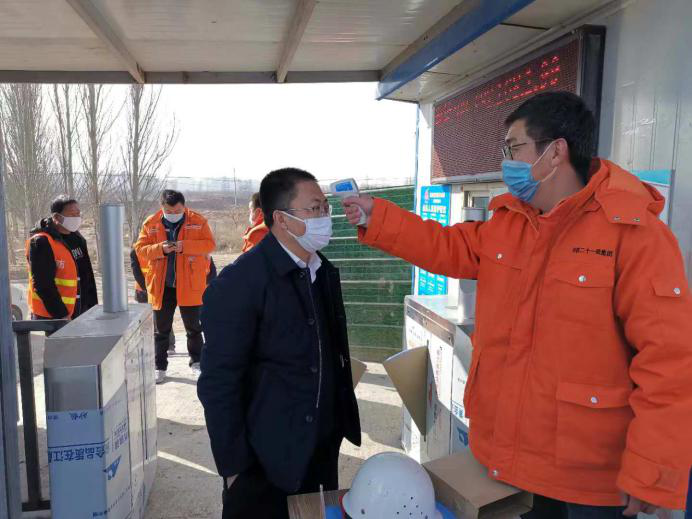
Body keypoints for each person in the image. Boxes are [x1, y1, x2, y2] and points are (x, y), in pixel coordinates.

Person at [343, 92, 692, 518]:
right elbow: (445, 246)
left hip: (591, 481)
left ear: (555, 152)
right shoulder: (510, 222)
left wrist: (652, 470)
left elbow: (670, 362)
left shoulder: (635, 234)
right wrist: (376, 216)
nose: (505, 161)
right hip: (511, 462)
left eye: (514, 147)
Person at [198, 168, 361, 519]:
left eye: (325, 208)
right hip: (264, 462)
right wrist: (234, 468)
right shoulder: (240, 283)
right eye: (314, 208)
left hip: (318, 448)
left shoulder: (320, 271)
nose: (325, 217)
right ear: (282, 219)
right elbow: (218, 383)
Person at [135, 189, 215, 384]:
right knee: (161, 331)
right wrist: (160, 249)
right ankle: (159, 367)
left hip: (190, 285)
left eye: (177, 211)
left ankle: (197, 363)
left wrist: (184, 246)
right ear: (162, 208)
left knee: (194, 328)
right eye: (169, 212)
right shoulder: (151, 223)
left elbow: (209, 245)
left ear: (184, 207)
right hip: (162, 286)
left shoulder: (198, 221)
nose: (173, 214)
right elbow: (140, 249)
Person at [26, 195, 98, 320]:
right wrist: (62, 315)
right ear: (56, 217)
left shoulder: (77, 239)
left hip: (79, 312)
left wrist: (91, 307)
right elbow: (43, 284)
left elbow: (86, 276)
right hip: (52, 317)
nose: (77, 218)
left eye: (78, 214)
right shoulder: (42, 242)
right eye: (72, 214)